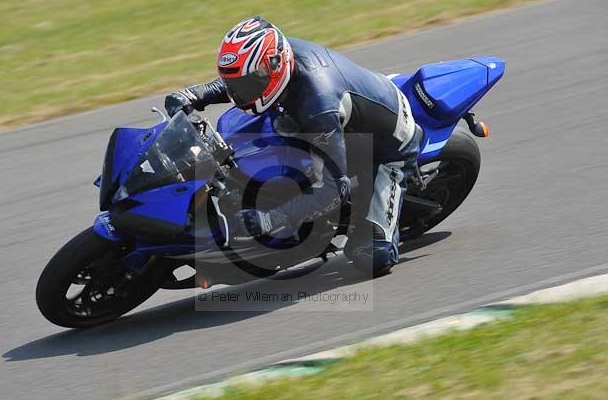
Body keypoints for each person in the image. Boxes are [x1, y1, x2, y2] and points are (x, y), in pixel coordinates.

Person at [165, 17, 421, 277]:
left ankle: (376, 230)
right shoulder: (275, 56)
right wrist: (196, 94)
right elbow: (243, 78)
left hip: (387, 147)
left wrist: (270, 220)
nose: (239, 94)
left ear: (275, 67)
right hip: (335, 122)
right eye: (237, 84)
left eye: (246, 85)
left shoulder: (318, 104)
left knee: (370, 258)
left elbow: (334, 190)